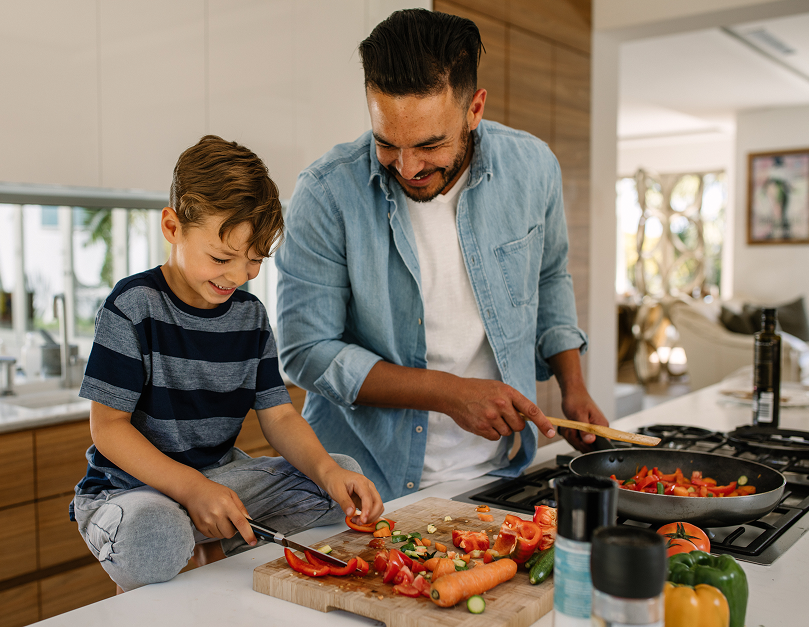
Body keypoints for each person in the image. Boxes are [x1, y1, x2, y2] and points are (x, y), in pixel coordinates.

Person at [275, 9, 608, 501]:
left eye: (430, 144)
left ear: (474, 109)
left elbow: (550, 277)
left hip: (500, 474)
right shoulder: (325, 193)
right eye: (387, 143)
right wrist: (449, 393)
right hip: (362, 484)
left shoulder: (534, 168)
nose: (407, 168)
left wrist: (572, 383)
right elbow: (306, 352)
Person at [70, 135, 382, 593]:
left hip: (218, 479)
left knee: (335, 479)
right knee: (155, 532)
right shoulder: (133, 306)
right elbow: (109, 428)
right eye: (221, 257)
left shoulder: (250, 316)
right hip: (129, 491)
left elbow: (278, 416)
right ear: (172, 227)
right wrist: (192, 490)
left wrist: (329, 472)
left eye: (254, 260)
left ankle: (205, 541)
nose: (237, 277)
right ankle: (189, 541)